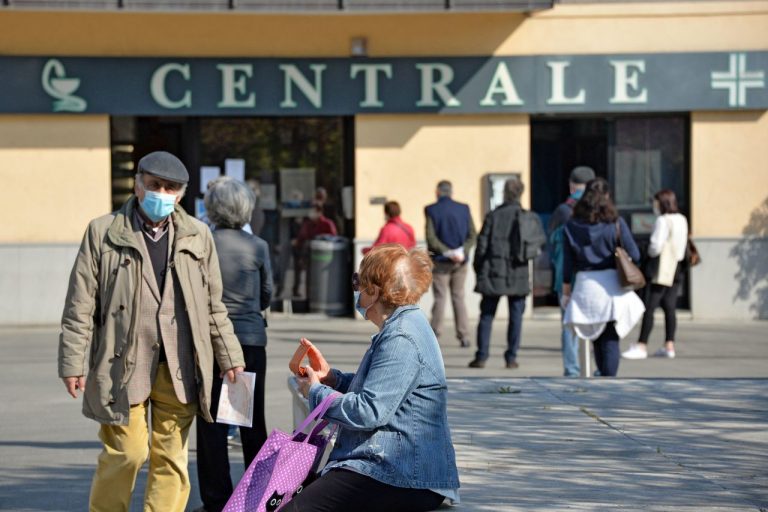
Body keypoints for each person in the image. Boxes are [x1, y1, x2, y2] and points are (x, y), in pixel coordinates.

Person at [57, 151, 245, 512]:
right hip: (122, 362)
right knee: (127, 453)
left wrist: (230, 356)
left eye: (170, 187)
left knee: (171, 457)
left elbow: (212, 305)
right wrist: (72, 362)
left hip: (180, 363)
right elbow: (80, 303)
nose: (162, 193)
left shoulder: (198, 235)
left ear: (181, 194)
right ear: (138, 184)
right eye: (155, 184)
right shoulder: (103, 231)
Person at [287, 244, 460, 512]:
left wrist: (316, 392)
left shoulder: (401, 337)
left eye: (359, 281)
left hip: (401, 472)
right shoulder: (403, 325)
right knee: (295, 493)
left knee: (297, 508)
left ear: (374, 291)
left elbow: (369, 411)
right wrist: (333, 379)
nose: (356, 290)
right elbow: (385, 389)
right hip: (395, 464)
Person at [194, 177, 273, 512]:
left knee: (211, 420)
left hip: (211, 341)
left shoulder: (202, 243)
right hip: (250, 341)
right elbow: (268, 292)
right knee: (249, 419)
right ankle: (257, 495)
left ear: (212, 208)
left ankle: (217, 499)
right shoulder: (258, 246)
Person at [561, 178, 645, 377]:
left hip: (584, 286)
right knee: (609, 336)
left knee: (597, 337)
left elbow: (567, 263)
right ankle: (608, 380)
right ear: (607, 197)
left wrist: (566, 291)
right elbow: (636, 254)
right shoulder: (615, 223)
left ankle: (603, 378)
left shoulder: (571, 225)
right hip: (611, 285)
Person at [468, 179, 531, 369]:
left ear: (504, 193)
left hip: (493, 269)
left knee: (486, 315)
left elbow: (482, 247)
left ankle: (482, 356)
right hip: (518, 270)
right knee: (516, 316)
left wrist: (479, 268)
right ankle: (511, 357)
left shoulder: (493, 216)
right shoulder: (526, 217)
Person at [622, 189, 689, 360]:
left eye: (656, 202)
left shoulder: (663, 220)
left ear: (663, 203)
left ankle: (642, 345)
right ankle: (669, 345)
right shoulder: (682, 219)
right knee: (670, 307)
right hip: (677, 267)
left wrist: (647, 252)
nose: (654, 206)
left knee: (649, 307)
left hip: (661, 269)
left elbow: (655, 247)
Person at [549, 165, 596, 377]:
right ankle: (598, 367)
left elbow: (552, 242)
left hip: (565, 276)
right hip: (593, 276)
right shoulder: (598, 210)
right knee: (596, 322)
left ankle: (572, 368)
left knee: (568, 324)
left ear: (571, 186)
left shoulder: (563, 210)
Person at [425, 180, 477, 347]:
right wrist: (461, 251)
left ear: (438, 192)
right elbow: (472, 235)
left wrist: (447, 252)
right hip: (460, 262)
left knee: (440, 298)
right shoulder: (464, 208)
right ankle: (464, 336)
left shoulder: (431, 210)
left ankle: (434, 334)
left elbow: (431, 238)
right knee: (458, 297)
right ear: (451, 192)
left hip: (440, 262)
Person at [291, 200, 337, 297]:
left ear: (319, 211)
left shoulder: (327, 224)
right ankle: (306, 295)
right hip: (309, 256)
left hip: (323, 258)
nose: (311, 213)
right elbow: (301, 237)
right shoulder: (308, 224)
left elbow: (333, 239)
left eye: (313, 210)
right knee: (309, 277)